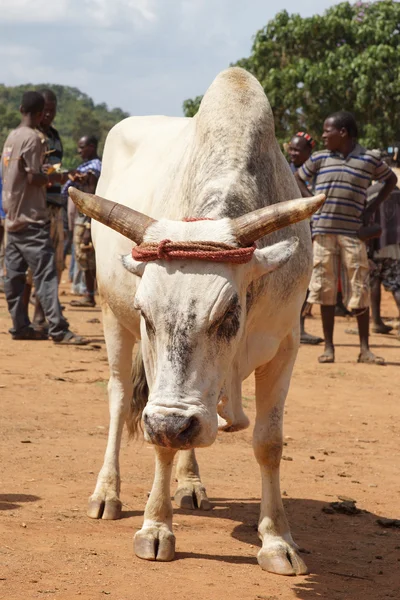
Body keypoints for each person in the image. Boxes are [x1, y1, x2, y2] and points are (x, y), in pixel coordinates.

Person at [295, 111, 397, 364]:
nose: (323, 135)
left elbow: (391, 179)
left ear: (343, 133)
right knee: (325, 290)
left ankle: (365, 350)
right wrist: (312, 202)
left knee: (360, 288)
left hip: (353, 233)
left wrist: (371, 209)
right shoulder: (319, 158)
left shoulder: (368, 159)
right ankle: (329, 348)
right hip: (323, 232)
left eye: (327, 131)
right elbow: (298, 177)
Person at [1, 91, 88, 344]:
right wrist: (56, 177)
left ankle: (20, 326)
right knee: (46, 276)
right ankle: (59, 330)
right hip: (32, 218)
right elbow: (32, 176)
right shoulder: (35, 139)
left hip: (12, 217)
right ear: (39, 114)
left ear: (19, 109)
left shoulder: (11, 137)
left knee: (14, 278)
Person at [288, 132, 324, 345]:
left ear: (309, 153)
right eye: (291, 148)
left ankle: (299, 328)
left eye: (298, 149)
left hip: (310, 233)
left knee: (305, 281)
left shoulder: (316, 173)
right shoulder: (285, 169)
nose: (293, 153)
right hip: (289, 233)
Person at [62, 136, 101, 307]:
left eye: (82, 147)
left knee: (86, 257)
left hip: (86, 218)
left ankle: (90, 295)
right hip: (84, 218)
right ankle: (89, 293)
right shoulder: (87, 169)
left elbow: (92, 200)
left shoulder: (92, 171)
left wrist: (88, 226)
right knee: (83, 257)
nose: (79, 151)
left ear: (91, 147)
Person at [368, 165, 400, 335]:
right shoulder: (397, 192)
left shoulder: (371, 192)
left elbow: (367, 220)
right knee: (395, 284)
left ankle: (377, 321)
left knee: (374, 282)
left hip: (376, 245)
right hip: (394, 245)